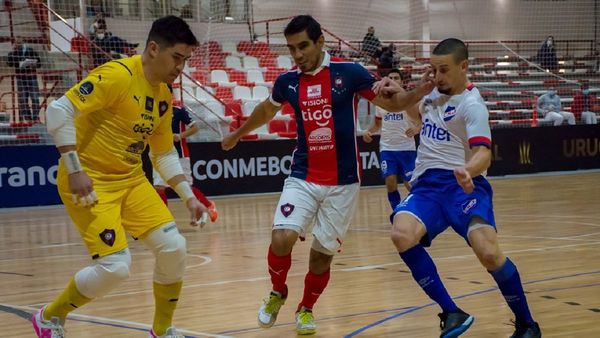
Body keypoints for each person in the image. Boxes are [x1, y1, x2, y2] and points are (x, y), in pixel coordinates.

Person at [221, 15, 433, 335]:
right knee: (282, 238)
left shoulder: (349, 73)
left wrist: (423, 89)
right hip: (303, 175)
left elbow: (394, 104)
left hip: (343, 182)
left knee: (321, 259)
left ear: (320, 43)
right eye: (292, 49)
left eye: (303, 46)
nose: (297, 55)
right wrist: (238, 133)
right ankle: (278, 293)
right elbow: (267, 110)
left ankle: (305, 309)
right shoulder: (287, 82)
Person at [33, 16, 204, 338]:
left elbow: (164, 154)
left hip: (131, 181)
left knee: (174, 247)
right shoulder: (117, 75)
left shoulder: (164, 97)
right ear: (154, 49)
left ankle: (162, 329)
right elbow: (58, 111)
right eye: (176, 58)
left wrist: (189, 197)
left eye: (185, 60)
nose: (180, 67)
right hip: (88, 182)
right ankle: (48, 317)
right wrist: (75, 168)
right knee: (115, 268)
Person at [375, 38, 541, 338]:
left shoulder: (472, 105)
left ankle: (527, 324)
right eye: (433, 69)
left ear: (463, 67)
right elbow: (416, 115)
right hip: (428, 187)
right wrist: (402, 93)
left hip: (466, 187)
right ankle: (452, 312)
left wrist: (468, 169)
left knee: (488, 253)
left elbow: (484, 153)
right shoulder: (431, 93)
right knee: (401, 234)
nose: (437, 76)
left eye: (444, 70)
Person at [363, 69, 420, 210]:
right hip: (387, 149)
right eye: (390, 78)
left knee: (411, 183)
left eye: (396, 78)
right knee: (390, 181)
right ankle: (396, 211)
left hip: (407, 149)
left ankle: (419, 208)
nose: (393, 80)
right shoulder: (382, 103)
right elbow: (377, 125)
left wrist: (417, 129)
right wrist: (369, 132)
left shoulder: (408, 101)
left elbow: (421, 121)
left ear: (401, 81)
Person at [153, 104, 218, 222]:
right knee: (158, 187)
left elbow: (195, 128)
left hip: (180, 154)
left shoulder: (178, 111)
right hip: (161, 154)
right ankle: (163, 219)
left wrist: (180, 136)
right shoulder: (152, 110)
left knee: (186, 187)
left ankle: (208, 205)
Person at [6, 38, 41, 122]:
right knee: (23, 99)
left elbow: (39, 63)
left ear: (22, 43)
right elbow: (10, 63)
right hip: (21, 78)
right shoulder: (12, 53)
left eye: (19, 42)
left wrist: (33, 64)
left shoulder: (30, 51)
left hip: (31, 77)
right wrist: (14, 52)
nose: (18, 44)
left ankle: (35, 117)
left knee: (35, 98)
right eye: (16, 43)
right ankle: (28, 118)